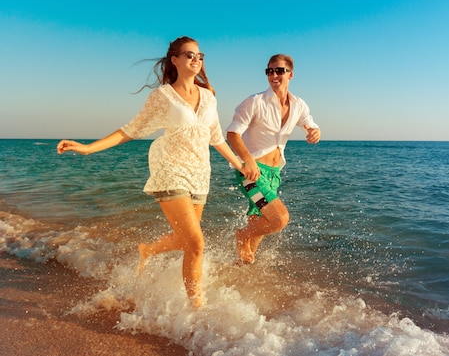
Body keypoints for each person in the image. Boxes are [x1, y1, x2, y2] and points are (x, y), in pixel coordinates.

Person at [57, 36, 242, 308]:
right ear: (175, 60)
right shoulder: (162, 96)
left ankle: (149, 250)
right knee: (197, 244)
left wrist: (241, 165)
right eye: (189, 55)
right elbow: (130, 130)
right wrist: (88, 148)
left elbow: (215, 138)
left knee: (186, 240)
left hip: (200, 174)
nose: (196, 59)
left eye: (199, 55)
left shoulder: (209, 97)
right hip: (170, 171)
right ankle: (198, 310)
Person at [226, 54, 321, 264]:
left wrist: (315, 131)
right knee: (279, 219)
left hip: (274, 174)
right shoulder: (255, 102)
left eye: (279, 70)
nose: (274, 75)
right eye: (270, 71)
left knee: (258, 231)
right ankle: (241, 235)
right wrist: (248, 160)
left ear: (291, 74)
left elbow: (310, 123)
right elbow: (232, 133)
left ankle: (239, 273)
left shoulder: (298, 105)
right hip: (252, 173)